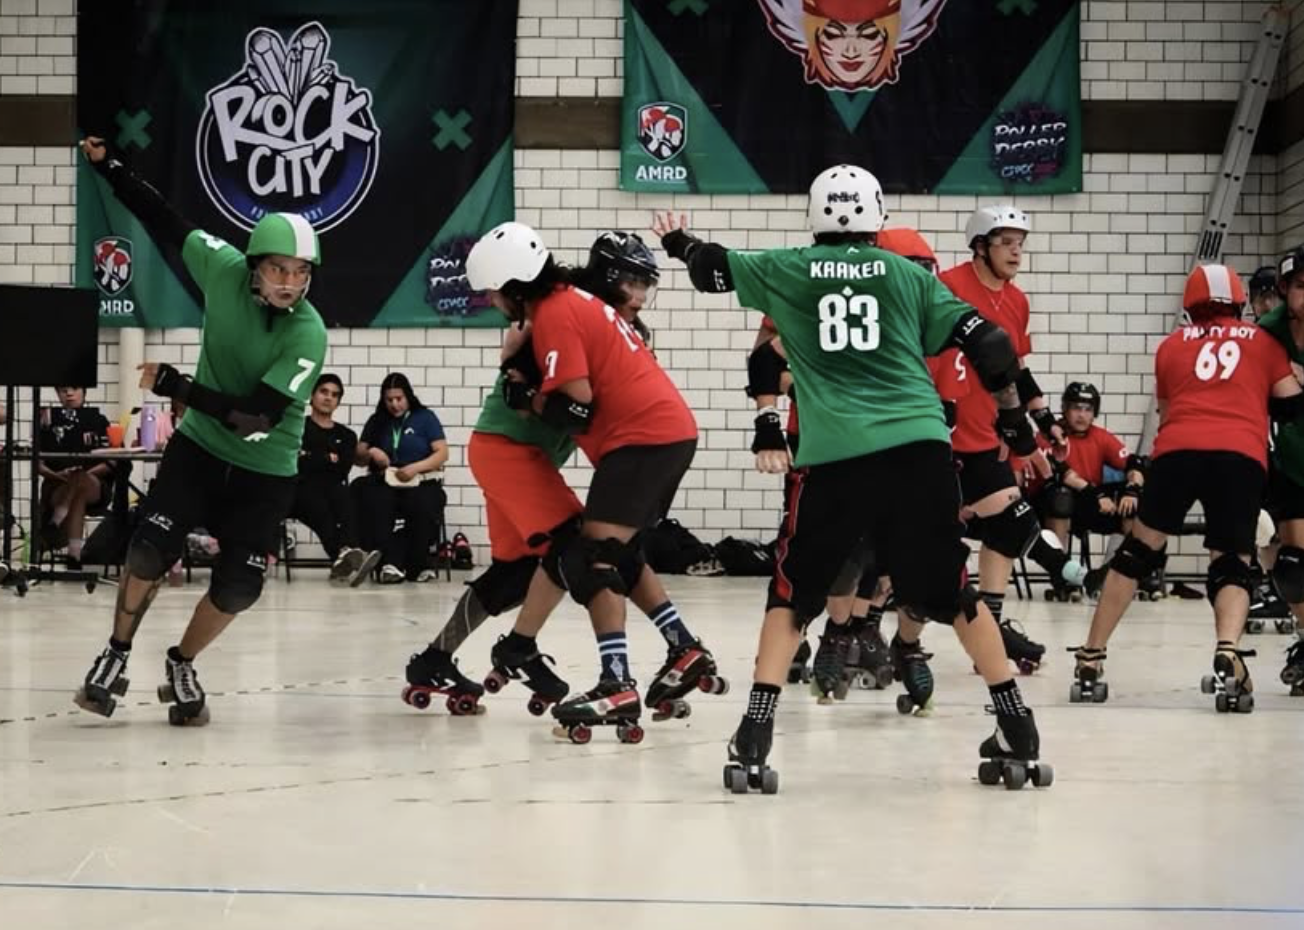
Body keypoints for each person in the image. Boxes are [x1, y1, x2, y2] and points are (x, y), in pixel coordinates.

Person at [654, 163, 1054, 793]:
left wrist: (679, 242)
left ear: (816, 215)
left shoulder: (787, 268)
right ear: (876, 216)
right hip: (919, 449)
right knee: (950, 589)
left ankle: (755, 732)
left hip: (836, 454)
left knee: (793, 591)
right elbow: (994, 347)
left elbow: (712, 269)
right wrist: (1016, 425)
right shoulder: (907, 274)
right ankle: (1016, 726)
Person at [404, 231, 720, 721]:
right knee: (585, 553)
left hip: (532, 451)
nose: (640, 298)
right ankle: (554, 655)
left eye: (644, 286)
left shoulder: (570, 312)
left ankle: (449, 657)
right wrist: (516, 367)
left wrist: (526, 384)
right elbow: (569, 401)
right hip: (512, 451)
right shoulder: (559, 314)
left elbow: (576, 404)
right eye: (634, 286)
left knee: (531, 569)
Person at [73, 135, 327, 725]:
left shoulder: (308, 332)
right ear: (254, 265)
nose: (289, 282)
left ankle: (182, 662)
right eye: (278, 268)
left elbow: (257, 416)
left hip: (266, 469)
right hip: (201, 453)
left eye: (300, 272)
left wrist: (178, 387)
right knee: (148, 549)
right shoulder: (222, 267)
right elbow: (163, 218)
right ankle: (115, 654)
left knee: (240, 587)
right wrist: (110, 167)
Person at [1069, 264, 1299, 710]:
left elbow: (1168, 411)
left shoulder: (1171, 346)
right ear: (1238, 302)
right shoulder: (1263, 342)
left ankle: (1091, 656)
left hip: (1178, 451)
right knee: (1231, 560)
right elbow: (1291, 406)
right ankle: (1228, 651)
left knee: (1137, 553)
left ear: (1190, 306)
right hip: (1239, 454)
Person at [937, 205, 1082, 673]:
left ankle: (992, 633)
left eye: (1020, 243)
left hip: (993, 433)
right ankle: (869, 631)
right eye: (1006, 243)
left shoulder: (1017, 301)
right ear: (980, 247)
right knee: (931, 537)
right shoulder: (948, 286)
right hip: (945, 431)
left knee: (1001, 533)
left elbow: (1015, 368)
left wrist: (1042, 419)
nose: (1016, 252)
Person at [1032, 382, 1147, 601]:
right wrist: (1097, 495)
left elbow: (1135, 463)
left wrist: (1132, 489)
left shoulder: (1100, 436)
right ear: (1065, 409)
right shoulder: (1049, 435)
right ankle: (1062, 575)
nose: (1082, 415)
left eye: (1088, 409)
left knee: (1135, 502)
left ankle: (1127, 572)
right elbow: (1063, 473)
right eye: (1076, 408)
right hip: (1051, 504)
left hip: (1089, 504)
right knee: (1060, 498)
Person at [1250, 247, 1304, 692]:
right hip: (1291, 459)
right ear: (1286, 289)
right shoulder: (1268, 333)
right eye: (1301, 286)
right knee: (1292, 567)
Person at [354, 373, 449, 584]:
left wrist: (415, 468)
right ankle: (380, 558)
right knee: (367, 495)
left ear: (408, 397)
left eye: (399, 399)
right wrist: (371, 453)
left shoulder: (425, 417)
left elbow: (442, 453)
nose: (394, 405)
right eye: (389, 400)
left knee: (424, 505)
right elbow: (358, 458)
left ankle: (396, 562)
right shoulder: (377, 420)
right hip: (387, 481)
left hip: (420, 480)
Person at [291, 373, 379, 586]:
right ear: (312, 395)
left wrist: (311, 456)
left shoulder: (346, 435)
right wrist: (326, 458)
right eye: (323, 392)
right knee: (318, 503)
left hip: (332, 489)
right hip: (299, 490)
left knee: (344, 497)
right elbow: (295, 462)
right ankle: (348, 554)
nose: (328, 397)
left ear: (338, 401)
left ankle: (344, 555)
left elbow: (341, 469)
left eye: (334, 394)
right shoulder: (296, 428)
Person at [38, 385, 115, 566]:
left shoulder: (98, 420)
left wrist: (80, 475)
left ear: (84, 391)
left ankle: (58, 518)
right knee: (78, 493)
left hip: (94, 485)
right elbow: (37, 464)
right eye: (63, 390)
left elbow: (112, 462)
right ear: (57, 393)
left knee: (79, 477)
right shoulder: (46, 420)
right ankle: (74, 556)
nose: (69, 393)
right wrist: (58, 475)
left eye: (75, 389)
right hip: (57, 485)